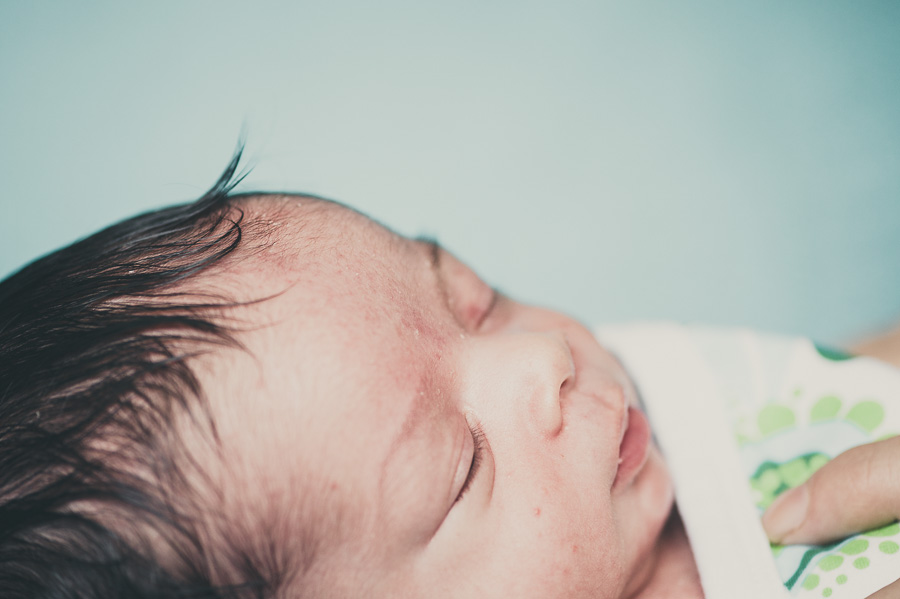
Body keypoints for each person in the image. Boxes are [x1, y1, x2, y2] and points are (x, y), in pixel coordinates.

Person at [0, 150, 894, 598]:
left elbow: (850, 384)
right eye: (462, 464)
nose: (542, 357)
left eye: (477, 299)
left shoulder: (655, 405)